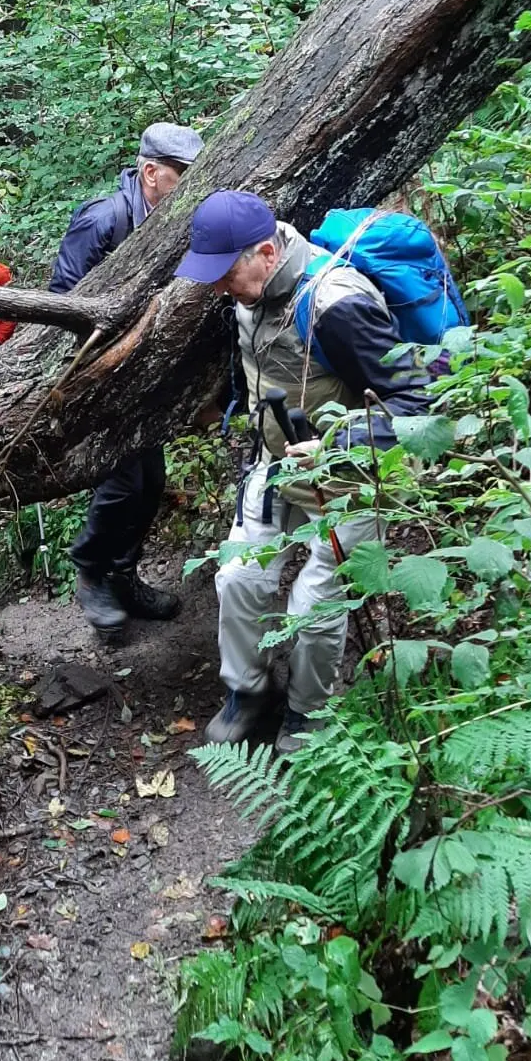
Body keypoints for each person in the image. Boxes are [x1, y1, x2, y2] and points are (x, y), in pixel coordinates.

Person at [175, 190, 432, 752]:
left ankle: (307, 713)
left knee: (315, 607)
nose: (217, 288)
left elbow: (414, 405)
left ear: (267, 251)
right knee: (239, 576)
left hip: (354, 475)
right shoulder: (251, 293)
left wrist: (338, 445)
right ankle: (248, 691)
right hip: (277, 464)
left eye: (224, 274)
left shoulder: (336, 302)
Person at [50, 121, 205, 638]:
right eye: (182, 174)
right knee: (121, 481)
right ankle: (91, 571)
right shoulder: (104, 220)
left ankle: (122, 576)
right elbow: (63, 299)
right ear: (150, 172)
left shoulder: (174, 219)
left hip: (144, 378)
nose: (190, 183)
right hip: (98, 377)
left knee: (151, 483)